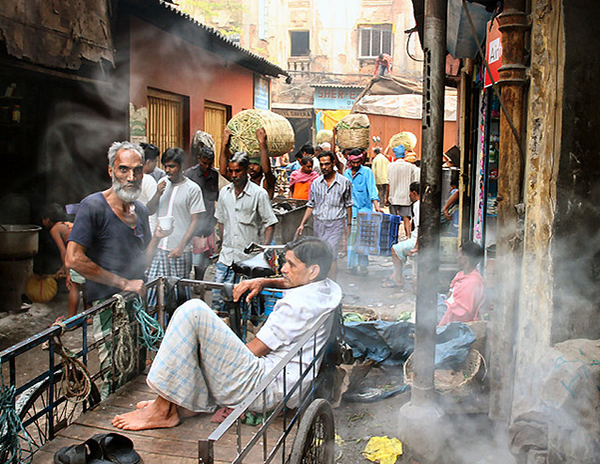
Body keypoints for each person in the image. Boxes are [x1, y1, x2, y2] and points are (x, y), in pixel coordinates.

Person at [111, 237, 342, 431]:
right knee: (201, 332)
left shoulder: (298, 305)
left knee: (193, 312)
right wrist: (264, 280)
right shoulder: (328, 289)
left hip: (264, 387)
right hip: (288, 384)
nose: (283, 269)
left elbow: (254, 351)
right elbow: (292, 281)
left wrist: (216, 350)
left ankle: (163, 410)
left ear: (312, 271)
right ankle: (178, 402)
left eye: (291, 265)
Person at [66, 142, 169, 396]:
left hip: (137, 303)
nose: (130, 177)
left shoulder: (141, 210)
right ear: (111, 171)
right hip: (108, 306)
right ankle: (107, 431)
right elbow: (74, 259)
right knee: (113, 372)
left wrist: (156, 238)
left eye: (136, 171)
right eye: (123, 170)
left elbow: (142, 263)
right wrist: (124, 284)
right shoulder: (93, 206)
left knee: (134, 370)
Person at [212, 151, 278, 312]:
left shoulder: (258, 194)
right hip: (226, 257)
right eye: (231, 171)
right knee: (219, 301)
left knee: (247, 304)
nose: (234, 175)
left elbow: (270, 223)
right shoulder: (224, 193)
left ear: (246, 169)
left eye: (238, 171)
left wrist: (263, 251)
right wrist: (222, 242)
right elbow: (221, 220)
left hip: (249, 260)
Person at [147, 147, 205, 296]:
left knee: (179, 293)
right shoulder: (162, 183)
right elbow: (150, 210)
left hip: (180, 251)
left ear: (181, 166)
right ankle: (158, 320)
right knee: (155, 293)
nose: (167, 170)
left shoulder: (193, 189)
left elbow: (195, 221)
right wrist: (158, 193)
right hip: (159, 248)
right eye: (165, 166)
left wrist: (181, 246)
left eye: (171, 166)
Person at [296, 151, 353, 278]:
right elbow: (311, 205)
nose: (324, 167)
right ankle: (322, 283)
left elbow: (348, 205)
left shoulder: (344, 182)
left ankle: (333, 285)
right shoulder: (316, 183)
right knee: (320, 254)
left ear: (333, 163)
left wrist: (349, 225)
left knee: (331, 254)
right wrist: (302, 224)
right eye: (321, 164)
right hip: (319, 223)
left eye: (327, 164)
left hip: (336, 223)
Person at [42, 204, 84, 318]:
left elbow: (63, 251)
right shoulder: (66, 225)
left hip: (77, 253)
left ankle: (72, 318)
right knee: (86, 285)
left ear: (47, 219)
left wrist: (68, 272)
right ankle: (88, 315)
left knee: (73, 285)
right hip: (87, 252)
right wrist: (63, 268)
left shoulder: (55, 229)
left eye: (43, 219)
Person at [184, 144, 219, 279]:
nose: (207, 166)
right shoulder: (189, 175)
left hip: (208, 220)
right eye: (204, 163)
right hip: (193, 221)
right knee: (193, 257)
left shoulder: (214, 174)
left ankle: (199, 281)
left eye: (210, 164)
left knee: (205, 259)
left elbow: (215, 196)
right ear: (199, 159)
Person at [344, 149, 380, 275]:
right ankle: (351, 265)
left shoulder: (367, 172)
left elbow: (372, 189)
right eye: (353, 162)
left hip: (364, 211)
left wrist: (377, 206)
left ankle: (363, 265)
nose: (355, 165)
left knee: (364, 239)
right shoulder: (346, 173)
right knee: (351, 240)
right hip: (350, 213)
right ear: (350, 161)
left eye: (358, 162)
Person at [438, 241, 486, 325]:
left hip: (453, 321)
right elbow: (450, 295)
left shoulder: (473, 282)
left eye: (458, 254)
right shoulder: (460, 275)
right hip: (445, 311)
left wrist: (443, 307)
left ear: (465, 258)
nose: (456, 257)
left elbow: (463, 313)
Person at [385, 182, 420, 288]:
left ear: (414, 193)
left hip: (418, 239)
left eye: (410, 193)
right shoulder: (421, 203)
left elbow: (420, 227)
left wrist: (416, 247)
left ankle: (398, 279)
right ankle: (396, 274)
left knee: (395, 249)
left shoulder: (417, 205)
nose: (409, 196)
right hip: (417, 237)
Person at [386, 144, 420, 239]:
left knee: (393, 219)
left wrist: (386, 198)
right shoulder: (410, 167)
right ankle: (408, 236)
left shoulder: (390, 166)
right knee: (406, 218)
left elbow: (388, 183)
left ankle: (393, 237)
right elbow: (413, 183)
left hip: (393, 197)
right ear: (404, 154)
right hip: (406, 197)